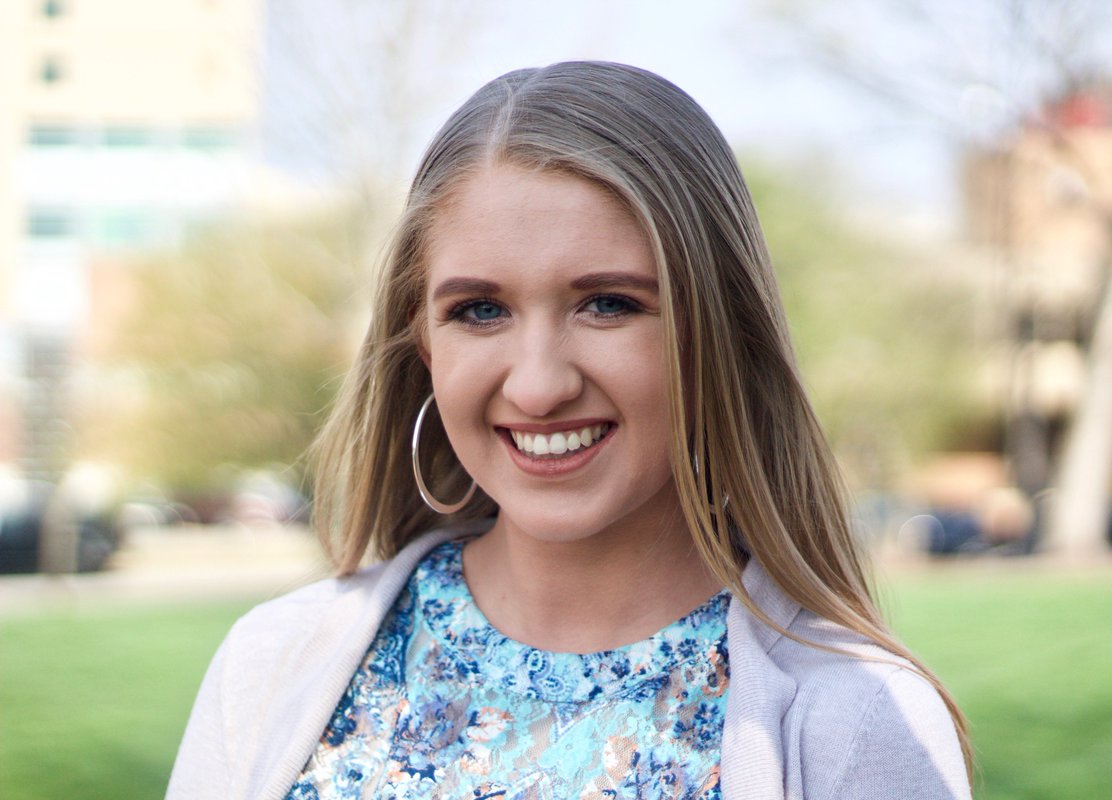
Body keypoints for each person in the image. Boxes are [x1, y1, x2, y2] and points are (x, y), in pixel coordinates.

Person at [168, 61, 973, 799]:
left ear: (722, 334)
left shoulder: (857, 721)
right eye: (480, 311)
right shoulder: (271, 663)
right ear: (425, 346)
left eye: (609, 304)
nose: (540, 384)